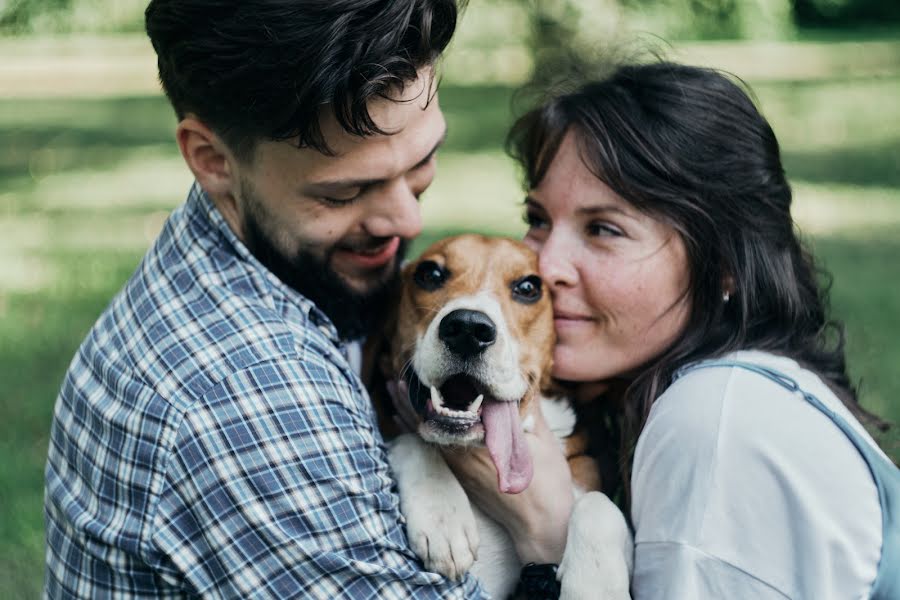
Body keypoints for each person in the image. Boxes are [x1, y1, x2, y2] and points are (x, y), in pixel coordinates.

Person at [42, 1, 572, 597]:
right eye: (345, 190)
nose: (407, 218)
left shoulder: (241, 261)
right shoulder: (254, 400)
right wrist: (548, 544)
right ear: (213, 162)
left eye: (423, 161)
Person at [446, 61, 900, 599]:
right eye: (539, 218)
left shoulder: (714, 425)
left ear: (724, 265)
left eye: (603, 229)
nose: (543, 266)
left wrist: (548, 540)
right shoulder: (710, 396)